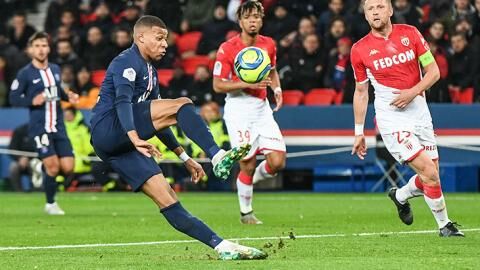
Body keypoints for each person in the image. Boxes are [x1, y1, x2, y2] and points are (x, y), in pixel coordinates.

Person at [90, 15, 265, 260]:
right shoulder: (126, 62)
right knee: (182, 104)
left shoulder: (150, 71)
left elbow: (159, 121)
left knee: (169, 198)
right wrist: (133, 135)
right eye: (159, 38)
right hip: (109, 129)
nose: (165, 44)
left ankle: (221, 246)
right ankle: (216, 155)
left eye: (166, 39)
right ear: (140, 37)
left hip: (121, 145)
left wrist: (184, 157)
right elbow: (122, 101)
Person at [350, 0, 464, 237]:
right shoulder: (359, 50)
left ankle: (400, 195)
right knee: (430, 174)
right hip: (392, 119)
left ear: (390, 10)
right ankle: (445, 226)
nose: (375, 12)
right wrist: (358, 132)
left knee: (431, 175)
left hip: (420, 112)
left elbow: (434, 72)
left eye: (380, 7)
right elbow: (361, 91)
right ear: (365, 15)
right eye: (370, 9)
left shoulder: (410, 34)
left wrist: (413, 92)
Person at [213, 1, 286, 225]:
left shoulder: (269, 45)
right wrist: (244, 82)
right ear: (240, 21)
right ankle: (246, 213)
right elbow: (217, 85)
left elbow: (271, 71)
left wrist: (277, 89)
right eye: (248, 17)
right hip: (238, 110)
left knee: (277, 162)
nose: (252, 21)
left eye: (256, 17)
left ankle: (249, 179)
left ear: (262, 20)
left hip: (261, 110)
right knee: (247, 163)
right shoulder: (228, 48)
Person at [9, 32, 79, 215]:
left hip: (59, 126)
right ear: (31, 50)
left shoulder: (55, 69)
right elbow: (14, 98)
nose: (41, 49)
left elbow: (58, 91)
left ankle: (39, 166)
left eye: (44, 45)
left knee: (69, 167)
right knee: (54, 167)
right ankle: (50, 204)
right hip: (40, 128)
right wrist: (32, 101)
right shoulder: (25, 74)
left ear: (49, 48)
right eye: (37, 46)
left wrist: (68, 96)